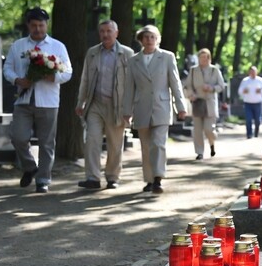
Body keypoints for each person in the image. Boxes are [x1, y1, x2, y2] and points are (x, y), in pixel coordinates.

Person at [3, 7, 72, 193]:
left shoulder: (57, 46)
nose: (38, 29)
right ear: (28, 26)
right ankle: (29, 167)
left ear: (46, 25)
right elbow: (7, 68)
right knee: (18, 137)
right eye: (34, 25)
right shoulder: (18, 46)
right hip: (23, 100)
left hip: (48, 100)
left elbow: (68, 72)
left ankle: (43, 179)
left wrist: (53, 77)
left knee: (47, 142)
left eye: (41, 25)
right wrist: (18, 80)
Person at [123, 25, 186, 194]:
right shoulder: (134, 60)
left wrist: (181, 107)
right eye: (146, 37)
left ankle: (158, 178)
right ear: (141, 40)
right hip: (141, 107)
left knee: (158, 143)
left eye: (152, 37)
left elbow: (175, 83)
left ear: (157, 39)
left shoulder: (167, 57)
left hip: (161, 106)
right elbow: (129, 87)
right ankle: (149, 179)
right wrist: (126, 111)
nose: (149, 40)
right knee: (146, 146)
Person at [74, 20, 135, 190]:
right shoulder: (92, 53)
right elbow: (85, 79)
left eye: (109, 31)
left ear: (117, 33)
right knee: (92, 139)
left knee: (115, 144)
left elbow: (133, 83)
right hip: (95, 104)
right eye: (102, 31)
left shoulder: (128, 54)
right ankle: (92, 178)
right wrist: (81, 102)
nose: (105, 34)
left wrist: (130, 108)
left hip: (118, 106)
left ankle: (112, 177)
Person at [183, 48, 225, 160]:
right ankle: (199, 152)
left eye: (205, 57)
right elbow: (187, 85)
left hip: (210, 102)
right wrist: (191, 94)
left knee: (209, 129)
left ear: (209, 58)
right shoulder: (193, 70)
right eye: (201, 57)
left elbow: (221, 86)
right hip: (197, 101)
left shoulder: (214, 70)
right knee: (197, 129)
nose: (203, 60)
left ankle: (212, 144)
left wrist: (211, 88)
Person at [238, 65, 262, 139]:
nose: (253, 73)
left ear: (256, 72)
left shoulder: (260, 80)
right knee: (248, 119)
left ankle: (256, 132)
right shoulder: (245, 81)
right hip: (248, 103)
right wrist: (244, 91)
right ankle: (249, 134)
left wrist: (260, 91)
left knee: (258, 120)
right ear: (249, 72)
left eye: (254, 72)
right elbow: (240, 91)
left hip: (257, 102)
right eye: (251, 72)